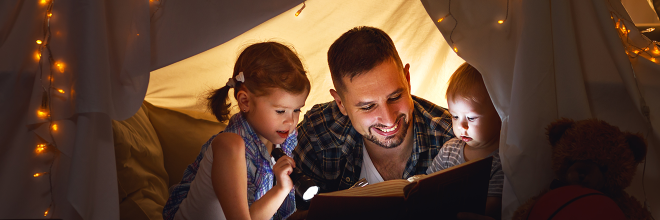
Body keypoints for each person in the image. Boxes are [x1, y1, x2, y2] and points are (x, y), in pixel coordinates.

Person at [293, 26, 455, 202]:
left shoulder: (451, 137)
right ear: (341, 103)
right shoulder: (317, 134)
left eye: (395, 97)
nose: (388, 119)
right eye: (368, 107)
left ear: (407, 80)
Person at [162, 42, 311, 220]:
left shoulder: (281, 141)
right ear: (245, 102)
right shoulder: (229, 145)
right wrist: (281, 188)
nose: (291, 120)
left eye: (297, 110)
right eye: (280, 111)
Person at [426, 63, 504, 220]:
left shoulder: (501, 159)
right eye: (455, 116)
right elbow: (427, 184)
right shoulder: (449, 150)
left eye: (471, 118)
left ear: (499, 115)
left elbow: (491, 207)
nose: (462, 126)